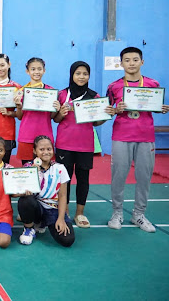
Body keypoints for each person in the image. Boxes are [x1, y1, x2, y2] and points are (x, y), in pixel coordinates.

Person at [106, 47, 169, 232]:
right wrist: (115, 110)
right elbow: (107, 111)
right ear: (121, 63)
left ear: (142, 62)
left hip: (145, 136)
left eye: (135, 59)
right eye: (127, 60)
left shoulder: (152, 84)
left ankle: (139, 214)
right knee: (118, 176)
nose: (131, 63)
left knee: (144, 177)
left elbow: (155, 104)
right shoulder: (114, 86)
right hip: (121, 136)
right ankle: (117, 213)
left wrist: (160, 108)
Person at [54, 61, 107, 229]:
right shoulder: (62, 94)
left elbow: (96, 122)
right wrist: (61, 113)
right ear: (72, 75)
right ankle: (65, 212)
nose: (81, 77)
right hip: (64, 144)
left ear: (89, 76)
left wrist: (105, 116)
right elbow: (55, 119)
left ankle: (80, 213)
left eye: (85, 74)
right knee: (65, 179)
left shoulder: (94, 97)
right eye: (78, 73)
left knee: (83, 179)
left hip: (85, 145)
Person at [17, 135, 75, 247]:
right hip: (37, 207)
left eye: (49, 149)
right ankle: (29, 228)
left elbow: (63, 196)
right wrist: (34, 173)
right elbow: (17, 192)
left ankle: (42, 224)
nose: (46, 152)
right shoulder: (28, 167)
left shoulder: (60, 168)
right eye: (41, 149)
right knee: (26, 200)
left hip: (53, 209)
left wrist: (61, 219)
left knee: (67, 240)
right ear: (35, 151)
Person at [14, 57, 60, 165]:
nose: (36, 72)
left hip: (45, 135)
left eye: (39, 69)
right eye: (33, 69)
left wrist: (56, 109)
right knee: (27, 169)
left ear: (44, 70)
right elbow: (20, 117)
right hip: (26, 136)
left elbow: (52, 116)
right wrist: (19, 107)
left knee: (46, 169)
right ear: (27, 71)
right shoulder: (21, 91)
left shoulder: (50, 91)